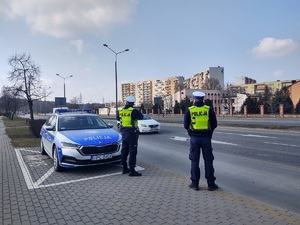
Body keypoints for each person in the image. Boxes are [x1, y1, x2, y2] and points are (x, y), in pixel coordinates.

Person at [184, 91, 218, 191]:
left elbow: (186, 125)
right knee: (208, 161)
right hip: (206, 138)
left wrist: (191, 133)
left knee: (194, 161)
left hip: (194, 138)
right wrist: (209, 133)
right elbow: (214, 124)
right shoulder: (208, 109)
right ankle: (211, 185)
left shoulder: (190, 110)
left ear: (194, 99)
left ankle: (195, 184)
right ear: (203, 99)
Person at [116, 96, 144, 176]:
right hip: (132, 133)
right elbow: (141, 117)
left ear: (126, 102)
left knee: (124, 151)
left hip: (124, 132)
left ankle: (124, 168)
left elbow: (118, 118)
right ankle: (132, 170)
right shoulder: (133, 111)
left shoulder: (120, 111)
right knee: (133, 151)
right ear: (133, 103)